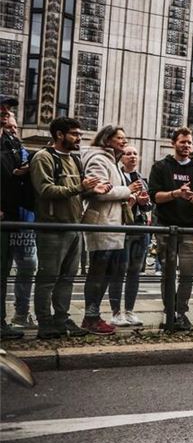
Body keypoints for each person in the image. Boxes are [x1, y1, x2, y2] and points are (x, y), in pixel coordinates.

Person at [30, 117, 109, 339]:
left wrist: (94, 190)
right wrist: (79, 187)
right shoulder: (44, 158)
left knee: (67, 279)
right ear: (59, 135)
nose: (79, 138)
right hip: (52, 228)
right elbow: (45, 190)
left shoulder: (75, 160)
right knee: (47, 279)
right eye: (74, 134)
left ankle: (61, 319)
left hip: (74, 227)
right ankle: (45, 323)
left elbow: (76, 192)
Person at [148, 126, 193, 333]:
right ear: (173, 143)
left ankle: (181, 312)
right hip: (166, 227)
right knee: (167, 272)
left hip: (190, 227)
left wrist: (190, 197)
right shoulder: (160, 167)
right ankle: (169, 313)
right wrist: (176, 193)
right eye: (182, 142)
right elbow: (155, 197)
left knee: (187, 273)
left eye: (189, 143)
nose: (186, 146)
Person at [80, 126, 137, 335]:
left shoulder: (110, 160)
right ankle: (91, 317)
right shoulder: (98, 159)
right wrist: (127, 191)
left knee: (106, 272)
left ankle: (93, 316)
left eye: (124, 137)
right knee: (98, 272)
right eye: (119, 138)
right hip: (102, 222)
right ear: (107, 140)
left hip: (112, 223)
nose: (124, 141)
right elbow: (100, 192)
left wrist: (128, 197)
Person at [1, 109, 37, 338]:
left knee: (27, 267)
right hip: (10, 218)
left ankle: (21, 313)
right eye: (9, 127)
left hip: (24, 221)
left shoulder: (20, 151)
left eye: (15, 128)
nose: (13, 131)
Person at [113, 145, 150, 327]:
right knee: (119, 270)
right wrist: (129, 197)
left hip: (139, 228)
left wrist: (143, 202)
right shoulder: (118, 177)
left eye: (135, 153)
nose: (132, 157)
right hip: (123, 228)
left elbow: (148, 207)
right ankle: (116, 312)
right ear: (122, 158)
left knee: (135, 271)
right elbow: (114, 199)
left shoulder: (142, 179)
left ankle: (129, 310)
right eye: (128, 154)